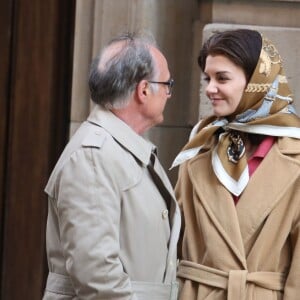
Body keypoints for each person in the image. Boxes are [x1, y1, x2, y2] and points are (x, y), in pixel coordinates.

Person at [42, 31, 181, 300]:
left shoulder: (116, 150)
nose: (169, 93)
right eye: (167, 83)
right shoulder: (92, 157)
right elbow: (97, 277)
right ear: (143, 90)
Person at [172, 29, 300, 299]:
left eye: (222, 78)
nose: (210, 88)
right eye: (208, 78)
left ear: (257, 82)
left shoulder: (295, 157)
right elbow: (172, 238)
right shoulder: (198, 148)